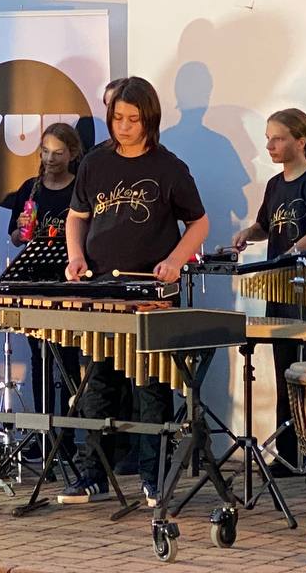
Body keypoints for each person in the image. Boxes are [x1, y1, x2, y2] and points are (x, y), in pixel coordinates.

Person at [59, 77, 209, 506]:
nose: (123, 127)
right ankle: (92, 474)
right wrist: (75, 256)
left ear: (149, 120)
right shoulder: (94, 162)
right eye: (117, 118)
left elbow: (199, 223)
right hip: (101, 289)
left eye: (132, 120)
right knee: (96, 385)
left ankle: (152, 475)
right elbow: (77, 217)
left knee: (150, 388)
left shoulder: (169, 168)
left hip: (150, 292)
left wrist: (176, 260)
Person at [231, 107, 306, 472]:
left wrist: (292, 252)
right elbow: (266, 225)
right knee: (285, 374)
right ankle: (288, 454)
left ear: (301, 141)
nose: (270, 146)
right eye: (268, 139)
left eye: (277, 139)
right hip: (281, 291)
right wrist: (248, 233)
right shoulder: (275, 185)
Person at [7, 123, 83, 433]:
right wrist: (22, 228)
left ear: (72, 154)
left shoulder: (79, 189)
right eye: (45, 151)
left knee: (68, 359)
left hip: (69, 285)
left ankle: (67, 436)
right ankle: (43, 435)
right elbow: (15, 238)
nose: (50, 159)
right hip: (34, 285)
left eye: (58, 153)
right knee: (40, 359)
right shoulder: (30, 189)